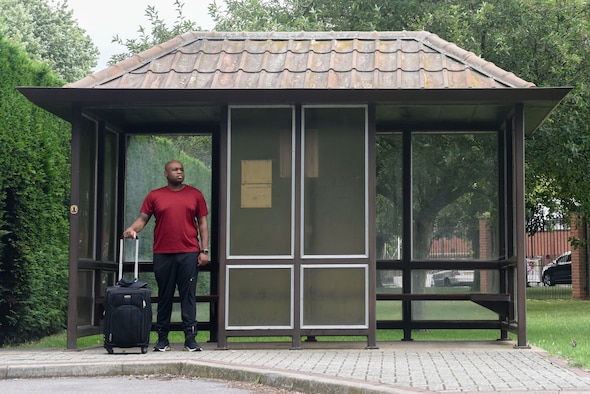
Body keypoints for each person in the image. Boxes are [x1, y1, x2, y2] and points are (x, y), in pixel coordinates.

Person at [123, 160, 209, 352]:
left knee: (188, 296)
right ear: (166, 173)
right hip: (163, 253)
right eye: (175, 169)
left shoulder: (195, 195)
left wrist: (204, 250)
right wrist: (131, 229)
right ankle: (162, 339)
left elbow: (203, 224)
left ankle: (190, 339)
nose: (179, 172)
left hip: (189, 253)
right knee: (165, 296)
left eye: (181, 169)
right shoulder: (155, 196)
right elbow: (143, 219)